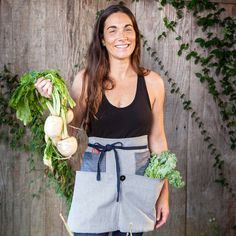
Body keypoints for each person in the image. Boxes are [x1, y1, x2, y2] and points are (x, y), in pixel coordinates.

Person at [35, 4, 169, 236]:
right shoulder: (86, 80)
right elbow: (69, 131)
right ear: (103, 39)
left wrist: (164, 195)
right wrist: (52, 98)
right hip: (96, 173)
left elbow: (158, 141)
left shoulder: (153, 82)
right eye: (113, 30)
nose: (122, 36)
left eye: (128, 29)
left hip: (138, 179)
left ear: (135, 36)